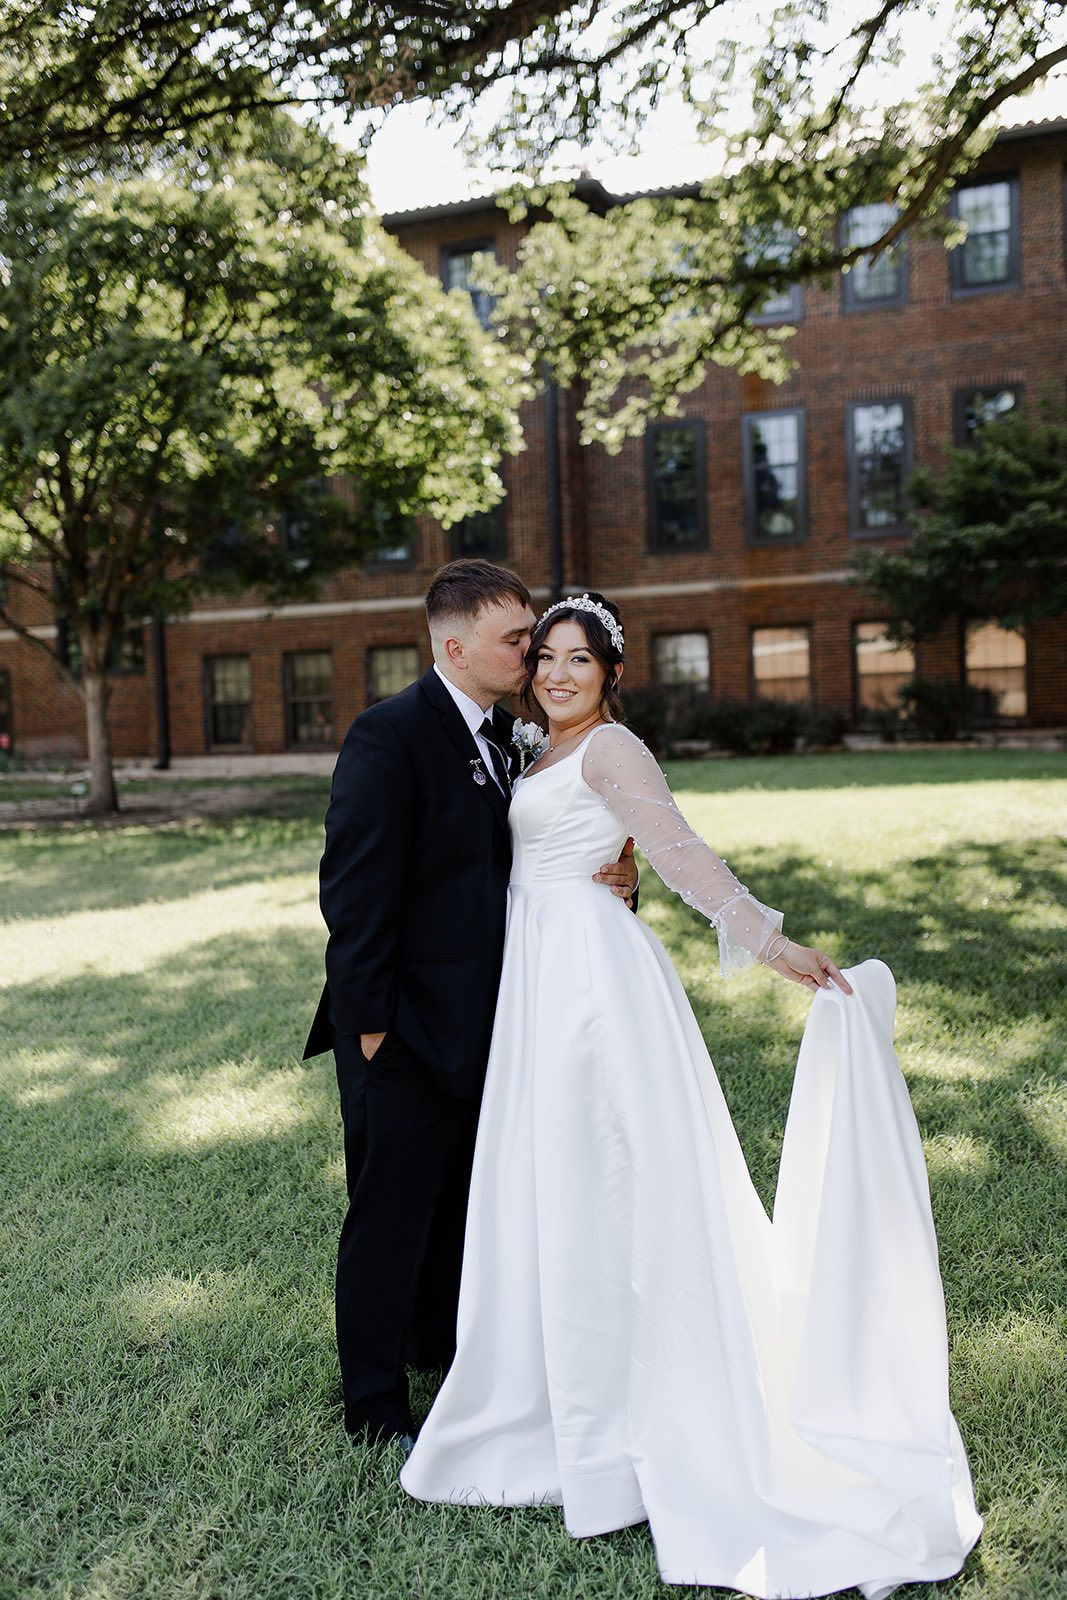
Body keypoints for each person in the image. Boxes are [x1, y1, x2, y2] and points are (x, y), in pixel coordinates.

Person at [401, 592, 983, 1597]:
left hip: (588, 985)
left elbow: (677, 854)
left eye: (577, 661)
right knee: (550, 1181)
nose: (555, 674)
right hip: (537, 973)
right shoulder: (533, 748)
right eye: (545, 657)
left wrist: (772, 942)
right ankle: (548, 1395)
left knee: (608, 1178)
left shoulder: (612, 751)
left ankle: (625, 1413)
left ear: (609, 674)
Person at [303, 561, 638, 1446]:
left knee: (452, 1203)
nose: (531, 653)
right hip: (402, 1028)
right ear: (455, 647)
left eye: (532, 636)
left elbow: (538, 846)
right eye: (515, 639)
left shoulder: (507, 736)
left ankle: (434, 1347)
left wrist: (620, 861)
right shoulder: (389, 736)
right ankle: (374, 1406)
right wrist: (371, 1029)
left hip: (488, 1022)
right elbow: (354, 895)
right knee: (389, 1215)